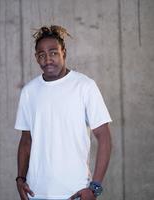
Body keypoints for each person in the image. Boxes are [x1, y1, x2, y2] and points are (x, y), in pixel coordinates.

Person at [14, 25, 112, 200]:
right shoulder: (29, 92)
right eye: (41, 55)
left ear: (63, 53)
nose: (48, 59)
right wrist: (20, 179)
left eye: (53, 52)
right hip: (35, 193)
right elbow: (26, 141)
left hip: (75, 192)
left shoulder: (84, 86)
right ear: (36, 58)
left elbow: (104, 137)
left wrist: (95, 187)